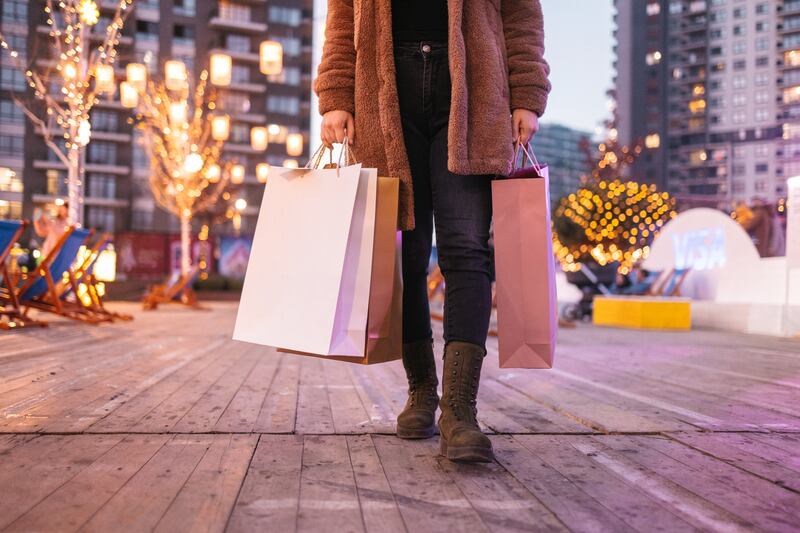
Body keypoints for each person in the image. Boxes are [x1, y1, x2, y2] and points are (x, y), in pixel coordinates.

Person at [315, 0, 550, 462]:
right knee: (402, 256)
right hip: (383, 95)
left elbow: (521, 16)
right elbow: (343, 21)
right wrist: (336, 97)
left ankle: (459, 410)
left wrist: (526, 92)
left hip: (473, 90)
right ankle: (421, 392)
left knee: (465, 248)